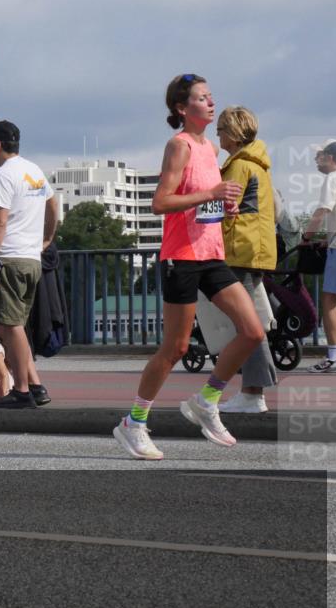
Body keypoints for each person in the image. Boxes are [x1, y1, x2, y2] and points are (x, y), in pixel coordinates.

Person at [113, 74, 265, 460]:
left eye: (212, 96)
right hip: (180, 257)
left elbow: (201, 205)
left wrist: (221, 205)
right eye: (202, 98)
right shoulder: (178, 146)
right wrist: (211, 193)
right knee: (176, 348)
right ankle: (133, 422)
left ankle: (206, 401)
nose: (211, 103)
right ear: (183, 109)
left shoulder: (209, 148)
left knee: (252, 331)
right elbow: (161, 202)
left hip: (211, 254)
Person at [0, 120, 59, 409]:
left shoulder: (4, 175)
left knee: (10, 326)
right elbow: (53, 205)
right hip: (31, 260)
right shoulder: (33, 170)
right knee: (12, 325)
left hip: (10, 258)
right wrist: (47, 238)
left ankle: (23, 391)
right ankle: (35, 386)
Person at [213, 106, 279, 413]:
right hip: (258, 249)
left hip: (240, 250)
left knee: (246, 324)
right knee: (250, 322)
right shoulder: (260, 164)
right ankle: (254, 391)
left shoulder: (239, 166)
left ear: (235, 134)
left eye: (222, 131)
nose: (219, 137)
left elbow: (224, 207)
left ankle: (253, 394)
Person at [303, 139, 336, 372]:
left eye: (319, 155)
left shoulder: (333, 179)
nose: (316, 160)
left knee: (329, 301)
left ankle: (333, 357)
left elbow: (322, 211)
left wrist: (307, 236)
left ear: (330, 157)